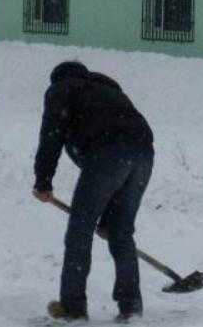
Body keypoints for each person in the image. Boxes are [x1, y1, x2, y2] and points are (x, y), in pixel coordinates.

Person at [32, 61, 154, 321]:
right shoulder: (109, 91)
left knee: (80, 229)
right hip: (143, 154)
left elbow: (51, 135)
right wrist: (108, 219)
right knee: (120, 232)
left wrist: (43, 180)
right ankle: (131, 306)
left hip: (107, 155)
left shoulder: (61, 90)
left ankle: (73, 308)